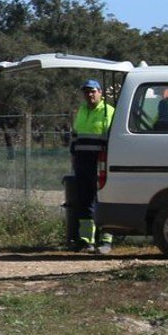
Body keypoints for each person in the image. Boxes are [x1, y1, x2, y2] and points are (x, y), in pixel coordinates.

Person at [69, 78, 116, 254]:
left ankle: (106, 239)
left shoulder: (108, 111)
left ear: (100, 93)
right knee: (84, 199)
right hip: (82, 162)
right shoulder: (81, 111)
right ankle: (86, 240)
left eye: (92, 91)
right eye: (86, 92)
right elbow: (75, 136)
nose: (89, 95)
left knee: (103, 198)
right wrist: (73, 156)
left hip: (101, 162)